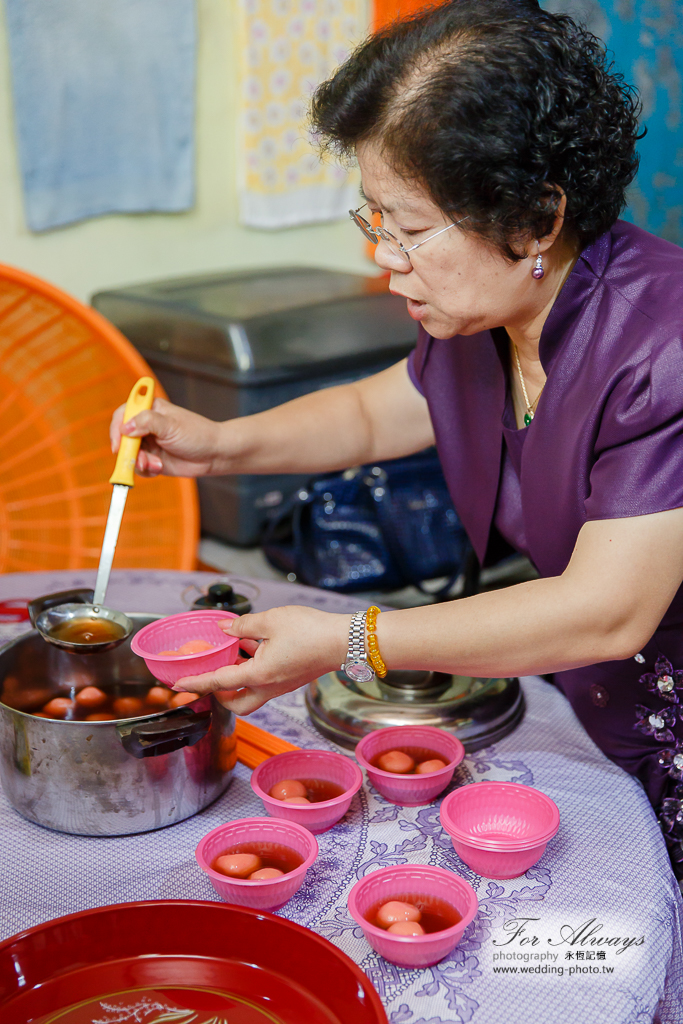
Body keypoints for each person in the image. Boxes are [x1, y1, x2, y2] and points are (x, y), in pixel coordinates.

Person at [111, 0, 683, 868]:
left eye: (410, 229)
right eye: (372, 219)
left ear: (534, 218)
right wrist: (219, 445)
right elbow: (378, 410)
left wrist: (350, 640)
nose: (384, 255)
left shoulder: (664, 340)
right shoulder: (489, 312)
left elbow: (605, 610)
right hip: (582, 701)